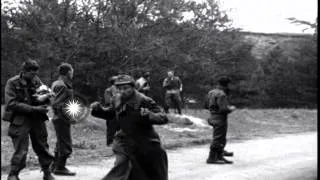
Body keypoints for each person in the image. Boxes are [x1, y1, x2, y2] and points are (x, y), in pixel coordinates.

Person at [91, 75, 169, 180]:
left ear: (133, 88)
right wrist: (98, 110)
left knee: (152, 173)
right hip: (125, 141)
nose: (122, 91)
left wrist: (150, 115)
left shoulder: (144, 100)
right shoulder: (117, 99)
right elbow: (111, 114)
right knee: (122, 165)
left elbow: (163, 117)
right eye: (119, 88)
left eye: (126, 88)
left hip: (146, 142)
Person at [4, 59, 55, 180]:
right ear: (24, 71)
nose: (35, 76)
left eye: (36, 73)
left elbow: (44, 94)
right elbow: (11, 103)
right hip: (20, 119)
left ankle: (47, 171)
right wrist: (34, 108)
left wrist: (46, 98)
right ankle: (13, 174)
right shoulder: (12, 83)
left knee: (42, 146)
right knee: (21, 149)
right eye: (32, 73)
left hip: (37, 119)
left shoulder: (36, 80)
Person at [50, 63, 76, 176]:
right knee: (65, 143)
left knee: (60, 142)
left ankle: (54, 166)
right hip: (62, 118)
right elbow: (58, 104)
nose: (73, 74)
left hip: (59, 118)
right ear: (69, 72)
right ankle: (60, 167)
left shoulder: (57, 83)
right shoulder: (62, 85)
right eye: (72, 71)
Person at [204, 76, 236, 164]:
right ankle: (211, 158)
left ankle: (219, 156)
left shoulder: (211, 92)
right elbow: (223, 109)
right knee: (219, 139)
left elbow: (206, 105)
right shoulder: (222, 94)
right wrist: (231, 108)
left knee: (218, 138)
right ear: (227, 84)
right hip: (220, 118)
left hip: (212, 116)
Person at [91, 76, 119, 146]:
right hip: (111, 110)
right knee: (111, 127)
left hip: (119, 110)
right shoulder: (108, 90)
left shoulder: (120, 89)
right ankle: (110, 143)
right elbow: (108, 101)